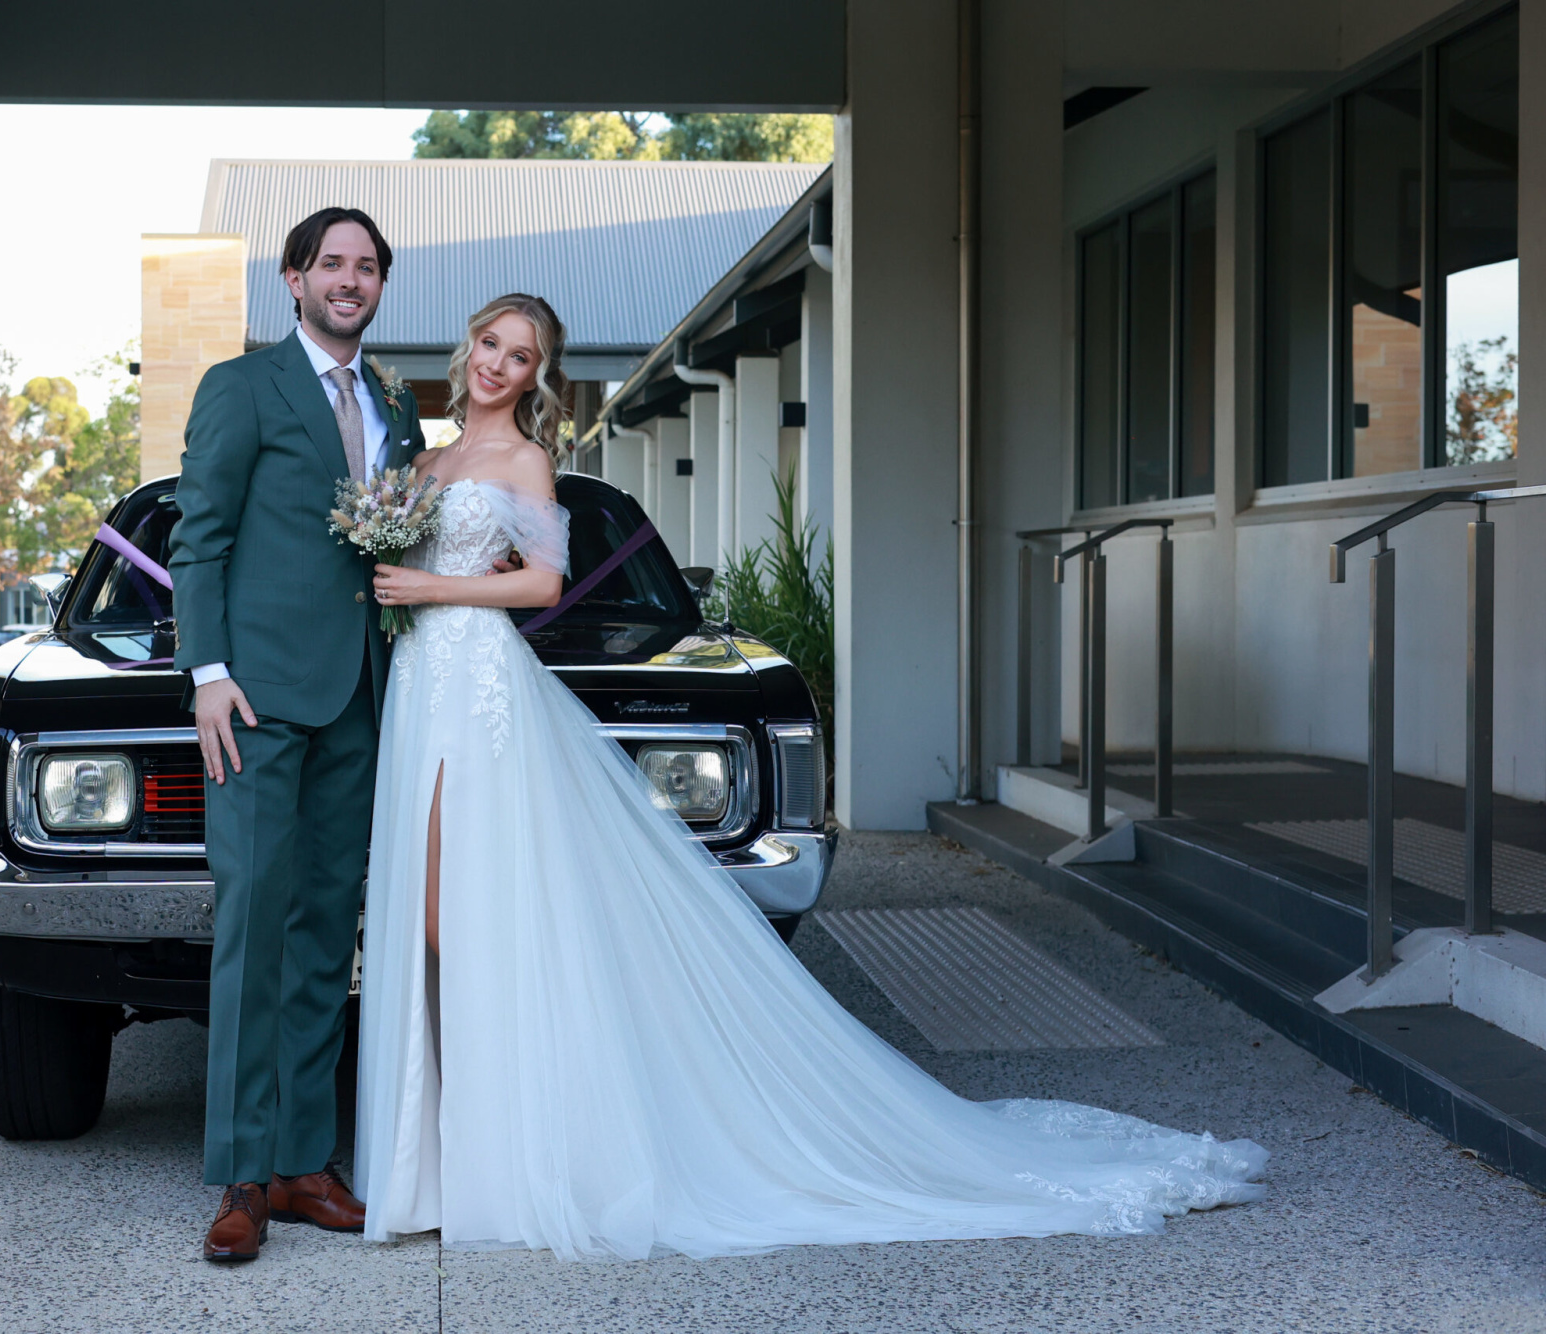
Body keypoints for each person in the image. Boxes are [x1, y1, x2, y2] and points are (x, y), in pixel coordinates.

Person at [354, 292, 1268, 1262]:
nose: (498, 363)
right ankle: (444, 1153)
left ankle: (507, 1152)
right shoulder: (421, 462)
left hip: (483, 683)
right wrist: (387, 573)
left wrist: (429, 585)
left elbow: (541, 584)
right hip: (420, 684)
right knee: (422, 916)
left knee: (473, 916)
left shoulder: (525, 461)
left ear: (539, 375)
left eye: (521, 353)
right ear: (468, 348)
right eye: (490, 342)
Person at [169, 206, 425, 1262]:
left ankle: (304, 1161)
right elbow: (202, 534)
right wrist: (209, 674)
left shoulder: (398, 404)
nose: (348, 280)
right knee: (253, 926)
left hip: (361, 698)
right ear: (292, 277)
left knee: (328, 929)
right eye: (332, 263)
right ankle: (238, 1172)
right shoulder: (241, 387)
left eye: (366, 267)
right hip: (258, 704)